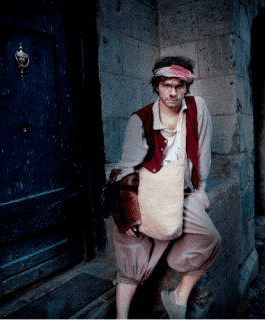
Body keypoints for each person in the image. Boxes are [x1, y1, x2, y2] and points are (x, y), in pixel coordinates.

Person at [110, 56, 221, 320]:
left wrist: (201, 188)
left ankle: (178, 297)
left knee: (210, 238)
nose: (173, 92)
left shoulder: (198, 109)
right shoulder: (140, 119)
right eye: (167, 85)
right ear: (156, 86)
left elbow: (203, 151)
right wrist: (128, 209)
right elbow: (125, 167)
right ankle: (121, 317)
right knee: (131, 249)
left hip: (182, 194)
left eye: (179, 86)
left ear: (187, 87)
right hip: (147, 192)